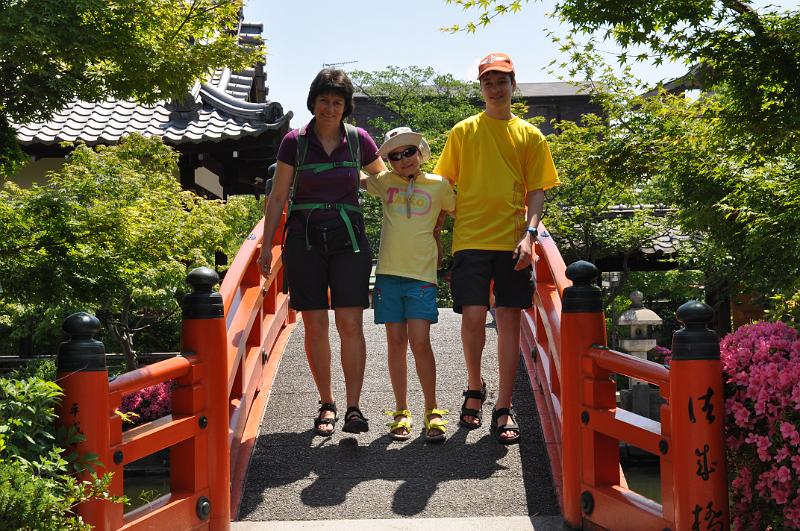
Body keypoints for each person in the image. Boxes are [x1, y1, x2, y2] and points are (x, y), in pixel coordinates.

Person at [433, 52, 560, 445]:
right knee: (472, 318)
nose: (495, 87)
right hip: (469, 237)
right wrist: (432, 229)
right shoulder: (463, 131)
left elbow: (536, 192)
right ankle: (475, 385)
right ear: (481, 87)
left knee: (508, 321)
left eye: (501, 80)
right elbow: (442, 184)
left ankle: (503, 405)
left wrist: (530, 234)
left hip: (511, 240)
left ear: (513, 84)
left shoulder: (530, 135)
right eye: (488, 81)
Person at [257, 68, 387, 437]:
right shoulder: (293, 143)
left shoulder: (359, 139)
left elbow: (380, 184)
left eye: (337, 102)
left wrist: (373, 174)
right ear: (313, 101)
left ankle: (354, 408)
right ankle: (326, 402)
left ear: (346, 107)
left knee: (350, 323)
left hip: (349, 240)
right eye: (324, 100)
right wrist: (267, 247)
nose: (330, 108)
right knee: (315, 324)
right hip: (304, 240)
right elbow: (278, 196)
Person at [362, 127, 456, 443]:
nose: (404, 159)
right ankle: (401, 411)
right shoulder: (384, 181)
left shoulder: (439, 185)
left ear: (420, 152)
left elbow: (464, 212)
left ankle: (433, 410)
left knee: (420, 342)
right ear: (387, 160)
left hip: (421, 275)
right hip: (388, 275)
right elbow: (351, 171)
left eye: (409, 152)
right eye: (395, 155)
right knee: (395, 343)